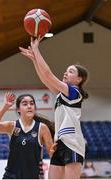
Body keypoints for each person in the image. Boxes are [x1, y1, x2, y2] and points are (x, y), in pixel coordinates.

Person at [19, 36, 89, 179]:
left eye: (70, 71)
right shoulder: (61, 94)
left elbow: (48, 74)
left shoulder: (74, 92)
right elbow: (45, 78)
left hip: (73, 142)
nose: (65, 73)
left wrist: (37, 50)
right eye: (66, 70)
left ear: (79, 79)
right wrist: (34, 60)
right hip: (61, 141)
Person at [0, 92, 54, 179]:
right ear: (18, 109)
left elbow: (52, 154)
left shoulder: (42, 128)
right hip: (11, 176)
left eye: (31, 103)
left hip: (33, 176)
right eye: (25, 104)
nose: (29, 106)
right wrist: (5, 106)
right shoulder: (12, 126)